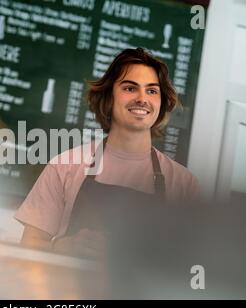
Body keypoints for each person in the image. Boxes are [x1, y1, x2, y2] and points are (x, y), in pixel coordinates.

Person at [15, 47, 200, 258]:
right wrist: (62, 248)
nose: (142, 98)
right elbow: (28, 247)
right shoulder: (66, 165)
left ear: (161, 102)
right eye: (130, 88)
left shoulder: (184, 185)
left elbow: (192, 265)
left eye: (152, 90)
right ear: (109, 97)